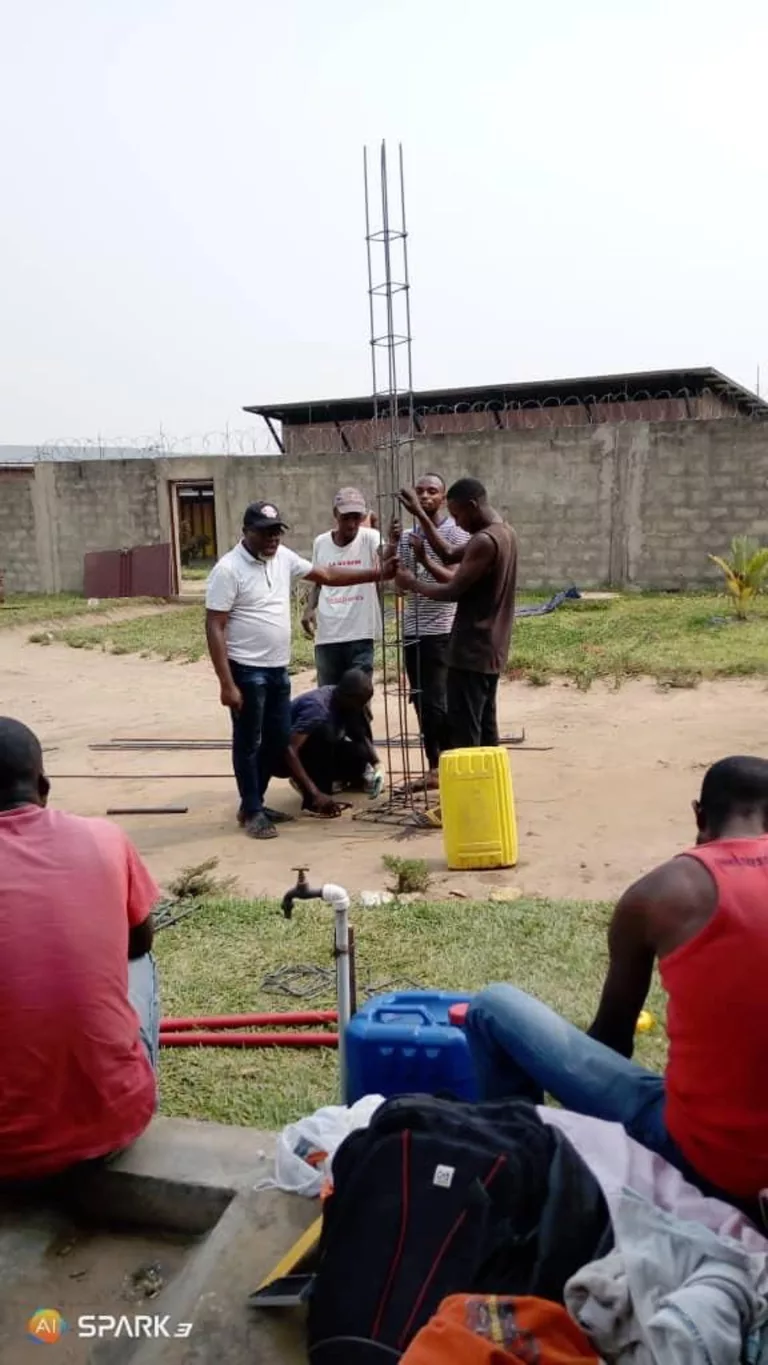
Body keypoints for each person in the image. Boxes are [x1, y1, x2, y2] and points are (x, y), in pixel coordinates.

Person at [466, 756, 768, 1211]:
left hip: (707, 1160)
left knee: (494, 1005)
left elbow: (612, 1040)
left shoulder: (662, 894)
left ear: (699, 815)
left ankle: (521, 1177)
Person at [0, 717, 159, 1182]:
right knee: (140, 959)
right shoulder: (105, 837)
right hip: (110, 1125)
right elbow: (139, 942)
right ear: (44, 785)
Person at [205, 499, 393, 840]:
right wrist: (226, 683)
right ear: (246, 532)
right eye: (265, 533)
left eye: (277, 531)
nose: (272, 539)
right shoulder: (228, 569)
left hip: (278, 669)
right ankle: (251, 809)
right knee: (248, 741)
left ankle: (254, 804)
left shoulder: (284, 558)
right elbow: (215, 625)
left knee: (276, 740)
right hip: (246, 670)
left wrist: (377, 573)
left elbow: (328, 575)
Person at [395, 478, 517, 749]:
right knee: (485, 725)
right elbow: (448, 553)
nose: (457, 522)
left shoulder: (485, 541)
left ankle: (470, 788)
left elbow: (452, 590)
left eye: (458, 515)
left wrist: (412, 582)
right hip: (490, 648)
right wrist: (420, 517)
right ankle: (489, 786)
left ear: (473, 506)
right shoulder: (504, 532)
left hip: (471, 650)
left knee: (466, 731)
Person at [389, 474, 469, 788]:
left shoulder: (454, 532)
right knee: (421, 701)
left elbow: (453, 578)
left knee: (438, 701)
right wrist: (394, 544)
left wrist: (422, 558)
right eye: (420, 491)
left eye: (432, 491)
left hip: (441, 631)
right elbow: (398, 584)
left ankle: (445, 765)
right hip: (413, 630)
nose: (424, 496)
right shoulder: (411, 535)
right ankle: (434, 764)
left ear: (444, 497)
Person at [268, 670, 381, 812]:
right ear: (348, 698)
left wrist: (377, 764)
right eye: (360, 703)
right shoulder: (317, 711)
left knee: (359, 751)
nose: (362, 706)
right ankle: (313, 800)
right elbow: (289, 749)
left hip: (309, 748)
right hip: (278, 758)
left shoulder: (345, 699)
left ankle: (344, 781)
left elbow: (361, 735)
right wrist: (315, 792)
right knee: (323, 736)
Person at [302, 488, 381, 684]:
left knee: (359, 696)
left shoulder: (370, 538)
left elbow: (386, 555)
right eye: (346, 517)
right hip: (329, 634)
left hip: (361, 633)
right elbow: (319, 581)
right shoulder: (321, 542)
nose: (352, 523)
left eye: (357, 517)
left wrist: (393, 541)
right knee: (327, 697)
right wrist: (310, 608)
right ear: (336, 514)